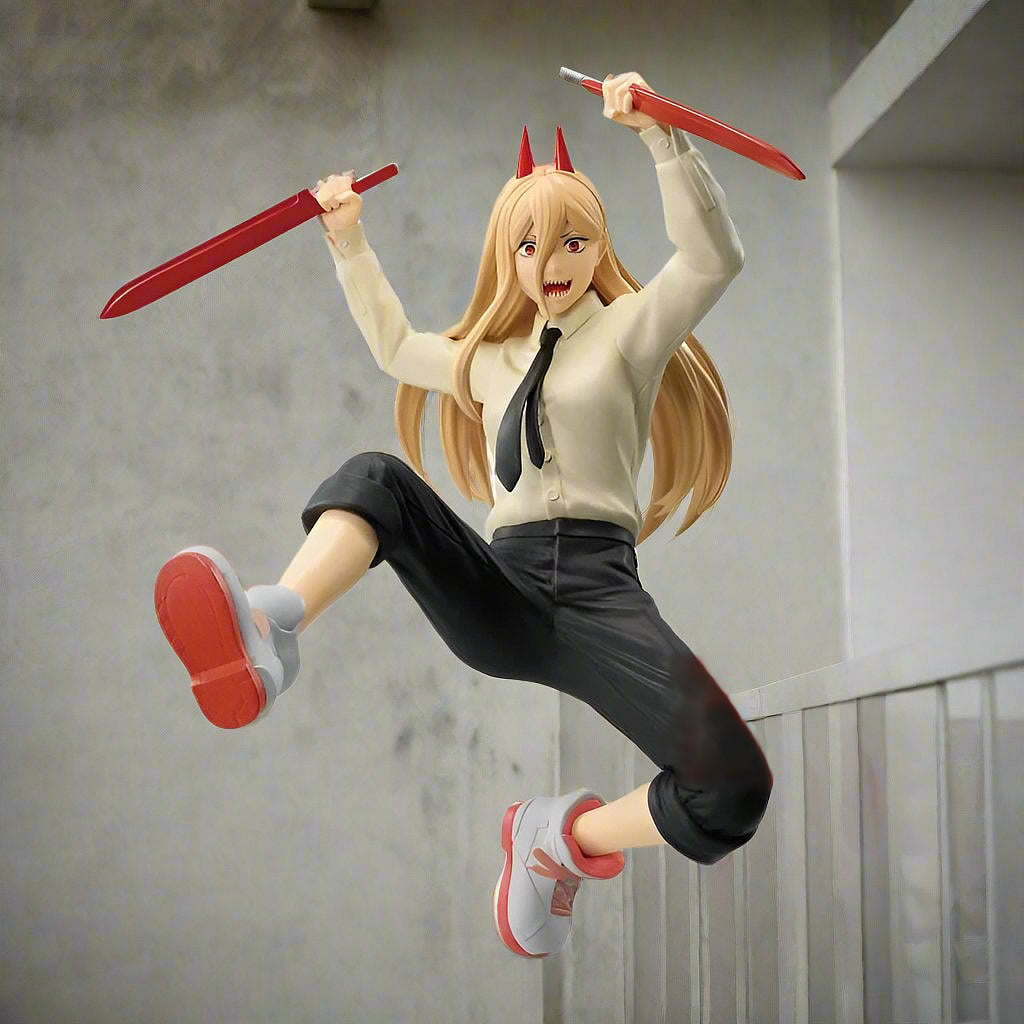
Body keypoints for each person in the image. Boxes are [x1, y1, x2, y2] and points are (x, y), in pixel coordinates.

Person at [154, 72, 773, 959]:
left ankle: (557, 841)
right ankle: (271, 626)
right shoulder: (487, 360)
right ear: (506, 256)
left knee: (733, 786)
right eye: (529, 244)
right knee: (378, 478)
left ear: (598, 247)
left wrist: (659, 138)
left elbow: (713, 258)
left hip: (600, 594)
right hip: (502, 591)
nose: (551, 261)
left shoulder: (631, 330)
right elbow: (395, 347)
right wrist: (348, 240)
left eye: (572, 241)